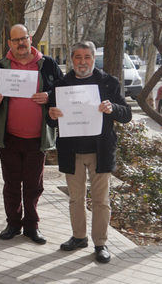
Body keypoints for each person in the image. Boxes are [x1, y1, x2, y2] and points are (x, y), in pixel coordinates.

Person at [47, 41, 131, 263]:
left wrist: (113, 109)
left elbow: (127, 114)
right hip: (71, 150)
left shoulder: (108, 82)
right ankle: (79, 237)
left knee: (101, 200)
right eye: (78, 57)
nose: (82, 62)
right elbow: (50, 118)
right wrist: (52, 114)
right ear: (71, 59)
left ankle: (101, 243)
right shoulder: (61, 84)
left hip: (100, 150)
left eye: (87, 57)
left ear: (93, 59)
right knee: (75, 199)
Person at [0, 24, 63, 245]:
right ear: (9, 43)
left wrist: (48, 96)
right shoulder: (1, 66)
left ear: (30, 39)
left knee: (33, 185)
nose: (20, 43)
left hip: (37, 137)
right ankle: (13, 223)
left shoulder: (47, 64)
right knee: (11, 183)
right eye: (15, 40)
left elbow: (62, 90)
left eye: (23, 38)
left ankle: (32, 226)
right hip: (9, 136)